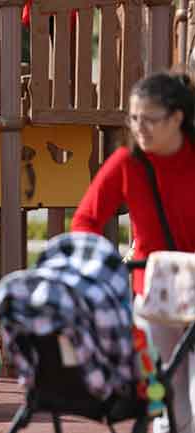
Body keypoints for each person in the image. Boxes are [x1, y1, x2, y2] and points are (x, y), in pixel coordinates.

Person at [72, 71, 195, 433]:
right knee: (164, 402)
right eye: (134, 118)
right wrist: (98, 265)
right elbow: (86, 220)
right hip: (152, 294)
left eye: (150, 119)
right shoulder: (128, 164)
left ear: (177, 118)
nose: (140, 128)